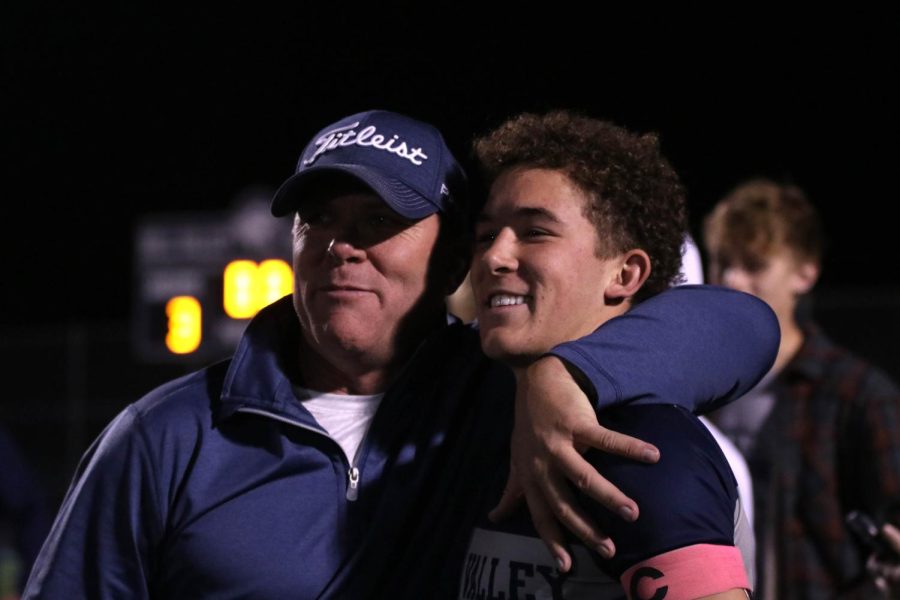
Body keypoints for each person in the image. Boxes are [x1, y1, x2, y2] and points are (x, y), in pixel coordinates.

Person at [23, 110, 777, 599]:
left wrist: (564, 376)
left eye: (379, 219)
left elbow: (744, 326)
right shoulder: (165, 436)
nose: (340, 246)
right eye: (317, 220)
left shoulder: (497, 398)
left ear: (452, 261)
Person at [459, 110, 761, 599]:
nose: (494, 256)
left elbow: (749, 323)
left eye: (535, 231)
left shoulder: (649, 447)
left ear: (624, 275)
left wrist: (564, 373)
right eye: (486, 234)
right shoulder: (478, 405)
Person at [704, 178, 900, 598]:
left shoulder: (857, 394)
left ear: (805, 272)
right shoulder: (698, 388)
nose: (733, 280)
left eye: (754, 265)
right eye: (722, 262)